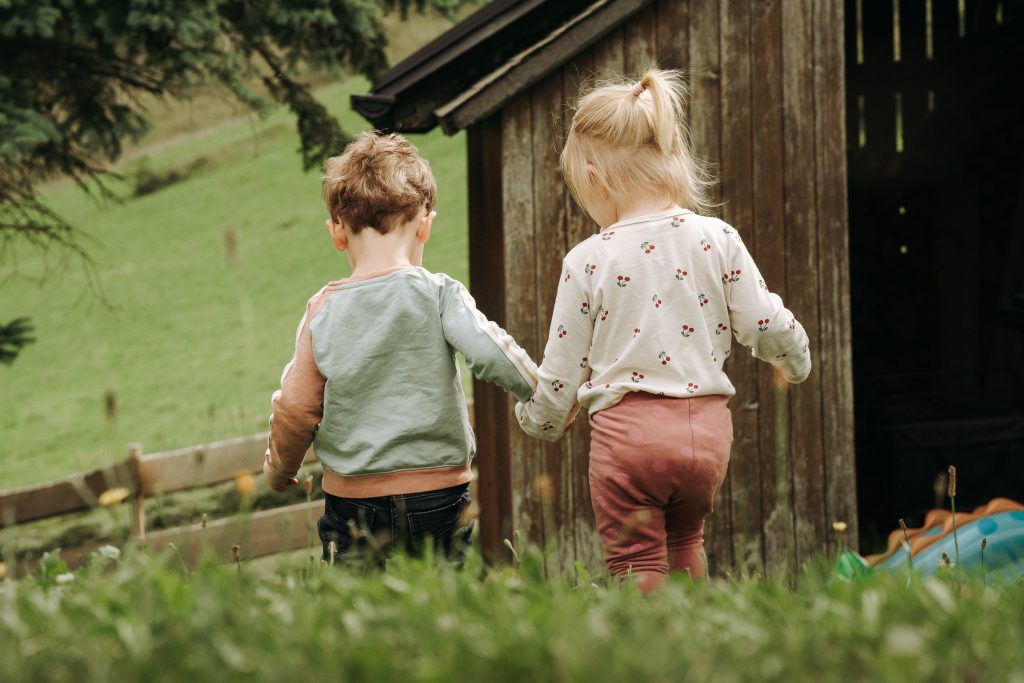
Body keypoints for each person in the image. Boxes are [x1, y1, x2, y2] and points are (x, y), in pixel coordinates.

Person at [515, 69, 811, 591]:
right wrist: (796, 359)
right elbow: (762, 322)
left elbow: (560, 374)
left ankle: (650, 657)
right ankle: (695, 648)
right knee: (685, 541)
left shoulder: (587, 260)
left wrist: (539, 419)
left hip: (630, 439)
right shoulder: (716, 237)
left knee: (636, 560)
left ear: (594, 178)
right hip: (706, 439)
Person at [264, 132, 537, 565]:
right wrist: (542, 394)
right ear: (425, 222)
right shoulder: (439, 293)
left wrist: (281, 468)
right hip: (440, 495)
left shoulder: (322, 311)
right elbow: (491, 352)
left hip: (354, 502)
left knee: (360, 615)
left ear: (337, 231)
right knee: (445, 604)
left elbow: (297, 409)